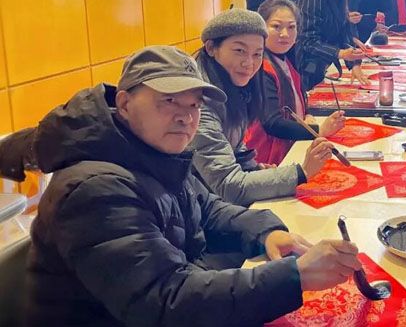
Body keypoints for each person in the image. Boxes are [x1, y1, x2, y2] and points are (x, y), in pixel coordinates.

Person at [19, 45, 361, 326]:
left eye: (194, 104)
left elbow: (207, 209)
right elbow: (165, 301)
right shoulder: (95, 189)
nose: (185, 116)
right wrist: (295, 276)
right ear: (124, 103)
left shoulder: (154, 151)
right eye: (168, 100)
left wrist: (266, 231)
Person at [190, 9, 336, 206]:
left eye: (257, 54)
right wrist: (302, 172)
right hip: (196, 208)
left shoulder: (235, 85)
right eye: (239, 50)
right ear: (211, 48)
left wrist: (254, 169)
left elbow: (235, 146)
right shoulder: (198, 105)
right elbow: (229, 186)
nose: (249, 63)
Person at [245, 0, 346, 165]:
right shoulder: (260, 68)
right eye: (276, 26)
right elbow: (272, 123)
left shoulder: (285, 59)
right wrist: (318, 130)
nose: (285, 34)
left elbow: (298, 96)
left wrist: (307, 114)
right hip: (266, 159)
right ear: (261, 28)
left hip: (290, 147)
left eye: (291, 27)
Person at [297, 0, 369, 90]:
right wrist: (340, 53)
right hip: (304, 71)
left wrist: (354, 64)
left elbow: (342, 32)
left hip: (320, 67)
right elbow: (307, 41)